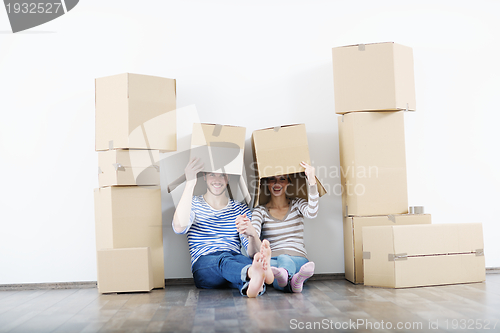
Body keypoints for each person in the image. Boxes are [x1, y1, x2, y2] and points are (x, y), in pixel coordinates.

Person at [172, 157, 274, 297]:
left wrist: (252, 235)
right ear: (204, 176)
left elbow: (252, 252)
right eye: (212, 174)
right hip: (205, 264)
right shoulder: (192, 204)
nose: (217, 180)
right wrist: (190, 183)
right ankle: (255, 272)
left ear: (228, 178)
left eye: (222, 175)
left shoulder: (240, 209)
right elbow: (178, 227)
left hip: (234, 261)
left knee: (247, 261)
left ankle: (254, 283)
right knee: (225, 260)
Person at [236, 161, 319, 293]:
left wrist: (312, 180)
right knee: (269, 269)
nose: (277, 183)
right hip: (273, 259)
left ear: (288, 182)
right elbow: (253, 251)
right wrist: (252, 233)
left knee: (281, 263)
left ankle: (285, 274)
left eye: (282, 179)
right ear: (266, 183)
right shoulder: (260, 211)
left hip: (298, 258)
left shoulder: (297, 204)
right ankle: (294, 283)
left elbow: (313, 212)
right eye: (272, 179)